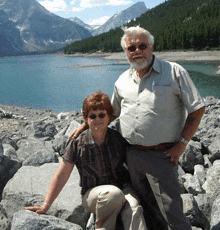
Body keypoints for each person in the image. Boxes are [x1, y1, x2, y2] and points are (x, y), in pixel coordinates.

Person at [71, 26, 205, 230]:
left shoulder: (174, 72)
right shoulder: (123, 80)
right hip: (131, 154)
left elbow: (197, 109)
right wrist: (86, 124)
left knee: (172, 212)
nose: (136, 51)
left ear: (151, 47)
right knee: (147, 208)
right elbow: (112, 112)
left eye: (142, 45)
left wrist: (182, 144)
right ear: (126, 51)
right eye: (131, 47)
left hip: (163, 154)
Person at [24, 91, 147, 230]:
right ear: (86, 119)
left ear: (109, 117)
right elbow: (62, 174)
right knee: (113, 194)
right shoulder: (77, 143)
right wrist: (45, 205)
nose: (97, 119)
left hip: (120, 186)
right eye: (92, 116)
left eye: (102, 115)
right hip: (92, 194)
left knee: (134, 208)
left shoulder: (118, 139)